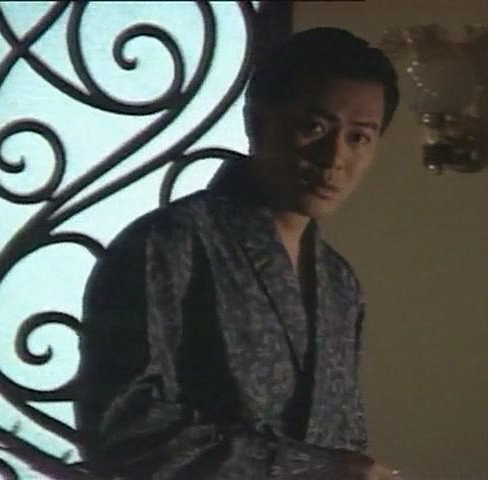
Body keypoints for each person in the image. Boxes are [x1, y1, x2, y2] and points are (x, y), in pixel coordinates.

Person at [75, 27, 402, 480]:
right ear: (257, 122)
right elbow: (125, 434)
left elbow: (342, 439)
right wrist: (317, 469)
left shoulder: (339, 282)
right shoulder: (169, 244)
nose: (333, 158)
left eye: (359, 138)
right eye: (313, 127)